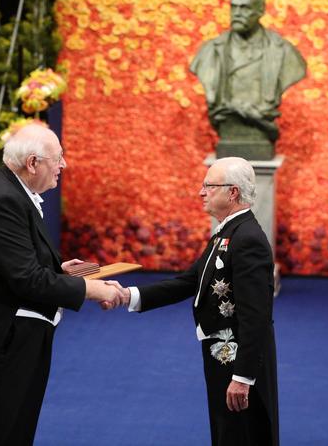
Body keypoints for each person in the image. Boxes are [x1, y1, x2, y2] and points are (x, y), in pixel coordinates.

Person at [0, 123, 124, 445]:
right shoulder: (4, 199)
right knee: (5, 435)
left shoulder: (9, 189)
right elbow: (26, 279)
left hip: (7, 338)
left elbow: (12, 260)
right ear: (33, 163)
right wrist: (93, 289)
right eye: (58, 158)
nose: (64, 165)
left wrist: (59, 269)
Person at [116, 157, 278, 446]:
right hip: (222, 355)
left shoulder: (247, 238)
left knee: (242, 434)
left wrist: (243, 377)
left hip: (238, 362)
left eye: (208, 186)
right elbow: (189, 282)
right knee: (226, 432)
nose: (201, 192)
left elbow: (257, 317)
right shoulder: (228, 232)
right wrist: (129, 296)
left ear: (233, 193)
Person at [190, 0, 306, 159]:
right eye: (233, 7)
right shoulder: (210, 52)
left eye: (244, 8)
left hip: (261, 137)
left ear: (260, 12)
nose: (236, 13)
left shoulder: (283, 52)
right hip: (227, 135)